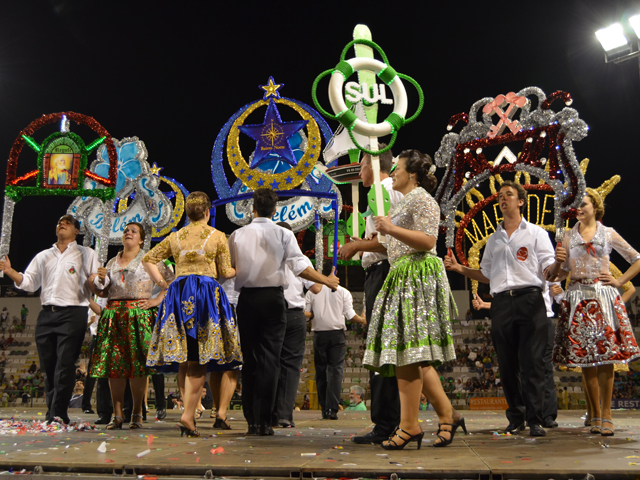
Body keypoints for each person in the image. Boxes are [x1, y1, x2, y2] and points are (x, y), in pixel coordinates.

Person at [363, 150, 461, 450]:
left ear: (413, 174)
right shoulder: (406, 201)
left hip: (416, 275)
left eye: (397, 168)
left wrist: (390, 228)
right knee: (409, 353)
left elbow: (430, 240)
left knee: (408, 352)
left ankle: (410, 425)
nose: (392, 173)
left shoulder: (422, 199)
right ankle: (445, 415)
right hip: (403, 274)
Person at [445, 180, 556, 437]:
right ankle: (516, 417)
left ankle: (535, 419)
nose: (503, 199)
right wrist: (459, 268)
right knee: (507, 365)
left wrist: (559, 268)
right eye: (500, 196)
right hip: (502, 302)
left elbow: (549, 270)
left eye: (509, 194)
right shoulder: (493, 239)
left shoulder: (537, 233)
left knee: (532, 364)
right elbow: (486, 274)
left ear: (521, 201)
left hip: (531, 299)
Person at [228, 187, 340, 436]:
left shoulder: (236, 234)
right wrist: (327, 279)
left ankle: (251, 421)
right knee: (271, 361)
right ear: (274, 209)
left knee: (250, 360)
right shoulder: (282, 233)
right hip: (272, 299)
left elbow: (233, 267)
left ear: (253, 208)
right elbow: (300, 267)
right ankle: (266, 422)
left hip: (247, 299)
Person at [143, 191, 242, 438]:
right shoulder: (217, 236)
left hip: (179, 294)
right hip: (205, 296)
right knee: (198, 359)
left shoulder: (175, 236)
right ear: (207, 212)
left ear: (188, 214)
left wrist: (165, 283)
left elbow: (148, 259)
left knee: (187, 358)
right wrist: (237, 270)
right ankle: (188, 416)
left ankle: (189, 413)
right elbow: (224, 271)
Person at [547, 188, 640, 436]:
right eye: (576, 204)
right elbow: (556, 275)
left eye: (584, 203)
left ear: (595, 207)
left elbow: (636, 259)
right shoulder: (567, 236)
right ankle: (596, 414)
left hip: (603, 296)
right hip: (577, 296)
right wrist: (557, 262)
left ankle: (607, 415)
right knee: (585, 360)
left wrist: (620, 282)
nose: (579, 207)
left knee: (606, 358)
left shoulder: (608, 234)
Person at [0, 214, 100, 424]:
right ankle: (52, 411)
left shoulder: (86, 253)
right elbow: (28, 283)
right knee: (49, 367)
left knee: (65, 364)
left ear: (76, 231)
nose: (61, 224)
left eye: (67, 223)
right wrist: (10, 271)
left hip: (73, 313)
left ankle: (58, 413)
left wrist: (96, 280)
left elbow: (97, 284)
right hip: (47, 314)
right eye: (59, 223)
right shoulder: (43, 255)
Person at [337, 145, 403, 445]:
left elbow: (388, 243)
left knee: (383, 349)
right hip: (386, 272)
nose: (358, 170)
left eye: (361, 165)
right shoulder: (389, 190)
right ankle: (396, 421)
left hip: (384, 271)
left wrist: (357, 247)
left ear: (375, 166)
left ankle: (386, 423)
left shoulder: (382, 190)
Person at [89, 222, 173, 430]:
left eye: (133, 231)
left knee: (137, 367)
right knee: (114, 367)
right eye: (126, 230)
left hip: (139, 314)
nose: (128, 233)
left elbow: (172, 282)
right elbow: (103, 292)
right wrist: (98, 281)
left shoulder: (150, 259)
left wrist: (156, 301)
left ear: (142, 239)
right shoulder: (111, 262)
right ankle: (117, 414)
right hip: (114, 314)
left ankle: (137, 412)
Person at [272, 221, 317, 429]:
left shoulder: (269, 257)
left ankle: (269, 413)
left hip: (272, 313)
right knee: (290, 367)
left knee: (271, 363)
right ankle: (284, 415)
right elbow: (316, 288)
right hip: (295, 315)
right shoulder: (302, 258)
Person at [305, 281, 365, 420]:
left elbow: (307, 315)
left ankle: (324, 408)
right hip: (337, 335)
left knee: (321, 372)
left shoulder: (312, 292)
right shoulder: (344, 292)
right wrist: (362, 320)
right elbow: (350, 315)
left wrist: (317, 314)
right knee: (335, 372)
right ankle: (332, 409)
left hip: (320, 334)